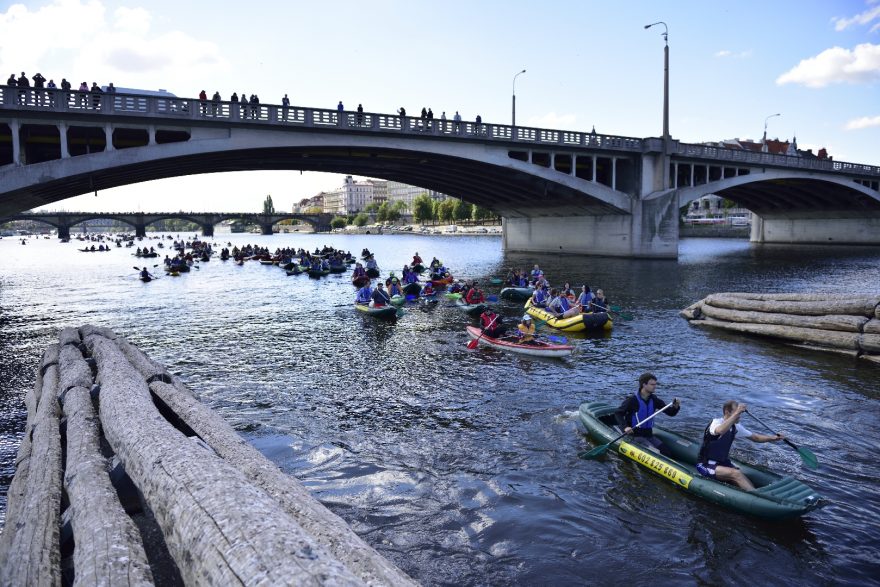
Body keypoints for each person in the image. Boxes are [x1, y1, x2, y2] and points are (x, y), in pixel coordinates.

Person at [696, 401, 784, 491]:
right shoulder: (716, 422)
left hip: (722, 463)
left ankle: (755, 493)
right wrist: (738, 412)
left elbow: (756, 438)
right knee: (736, 473)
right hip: (705, 465)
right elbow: (720, 431)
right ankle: (757, 496)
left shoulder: (735, 427)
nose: (739, 415)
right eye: (736, 411)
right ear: (727, 412)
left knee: (739, 473)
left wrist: (773, 438)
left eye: (740, 412)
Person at [614, 373, 681, 456]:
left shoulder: (654, 400)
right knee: (656, 453)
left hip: (649, 435)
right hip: (636, 436)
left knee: (666, 452)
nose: (655, 386)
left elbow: (671, 413)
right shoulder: (632, 400)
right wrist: (625, 427)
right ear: (644, 385)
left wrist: (676, 406)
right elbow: (618, 413)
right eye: (652, 384)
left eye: (655, 384)